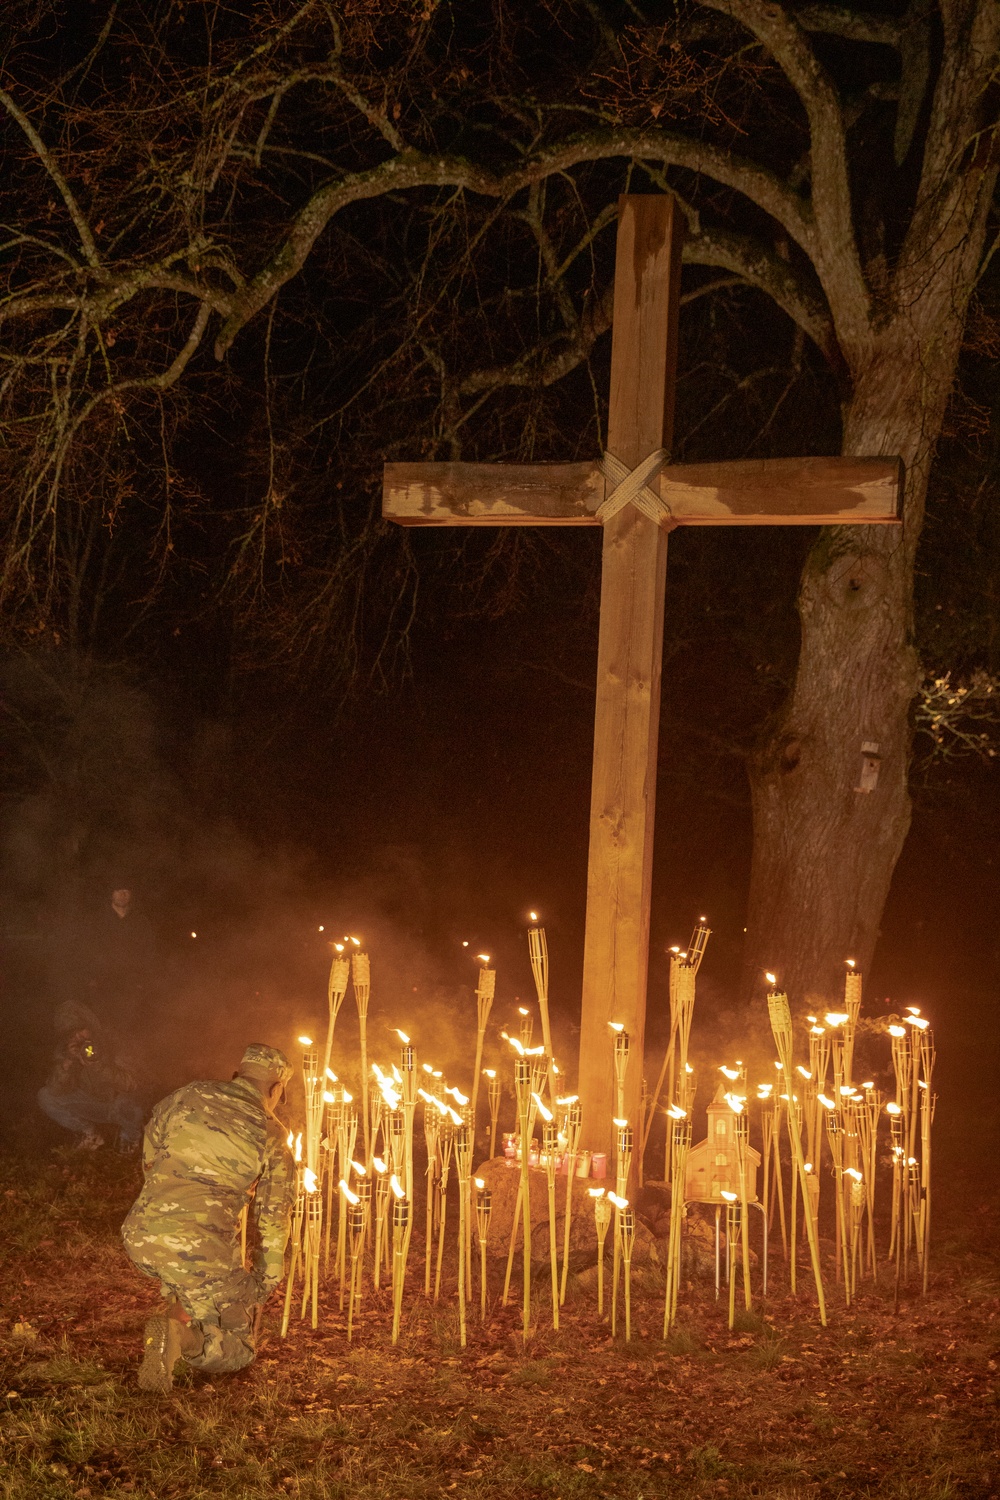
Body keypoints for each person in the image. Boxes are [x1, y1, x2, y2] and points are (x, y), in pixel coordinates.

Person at [121, 1043, 295, 1393]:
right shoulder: (271, 1131)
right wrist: (264, 1280)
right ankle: (180, 1338)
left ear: (238, 1075)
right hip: (198, 1247)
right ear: (276, 1090)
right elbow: (274, 1215)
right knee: (239, 1349)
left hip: (139, 1233)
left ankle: (174, 1325)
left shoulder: (189, 1094)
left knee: (197, 1275)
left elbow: (151, 1154)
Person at [37, 1001, 144, 1151]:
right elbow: (56, 1091)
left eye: (80, 1030)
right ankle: (90, 1135)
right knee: (46, 1096)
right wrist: (66, 1065)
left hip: (118, 1104)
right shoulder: (66, 1051)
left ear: (90, 1026)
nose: (77, 1037)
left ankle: (130, 1139)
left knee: (129, 1103)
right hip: (94, 1105)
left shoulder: (112, 1041)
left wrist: (98, 1066)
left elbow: (131, 1084)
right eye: (71, 1034)